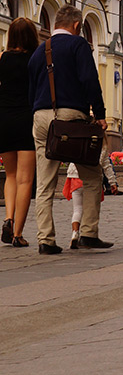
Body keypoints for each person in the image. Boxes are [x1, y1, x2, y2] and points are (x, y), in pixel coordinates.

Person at [28, 4, 112, 253]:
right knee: (92, 176)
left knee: (44, 183)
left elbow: (30, 90)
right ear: (77, 25)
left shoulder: (39, 51)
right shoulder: (78, 45)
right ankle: (88, 233)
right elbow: (89, 80)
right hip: (71, 118)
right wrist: (100, 114)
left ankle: (45, 239)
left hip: (41, 117)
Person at [0, 17, 40, 248]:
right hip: (27, 119)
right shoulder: (35, 60)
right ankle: (17, 233)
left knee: (11, 175)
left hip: (4, 119)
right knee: (25, 179)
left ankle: (8, 217)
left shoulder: (2, 59)